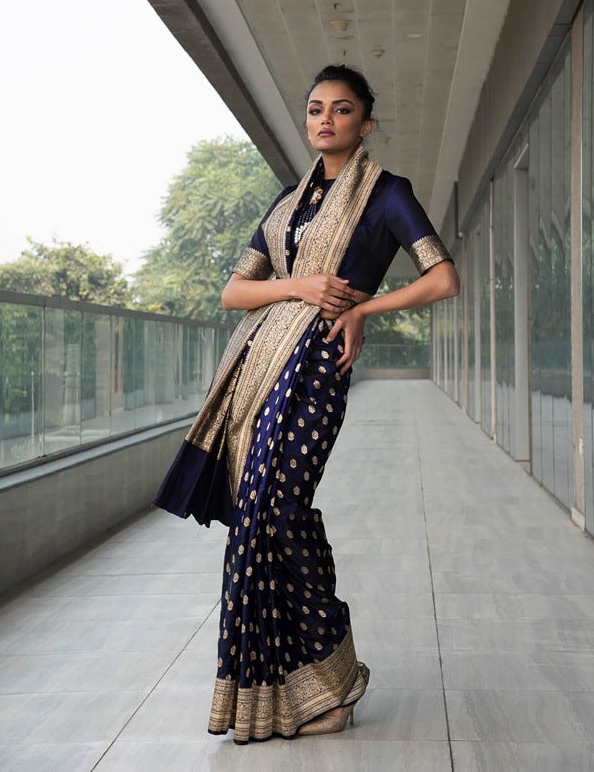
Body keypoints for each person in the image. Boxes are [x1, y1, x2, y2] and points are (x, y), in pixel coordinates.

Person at [153, 64, 460, 744]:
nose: (326, 119)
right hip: (260, 364)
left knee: (281, 511)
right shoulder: (287, 205)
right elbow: (235, 292)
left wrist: (363, 310)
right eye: (316, 108)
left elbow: (443, 278)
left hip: (318, 366)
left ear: (365, 123)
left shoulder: (387, 194)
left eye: (342, 109)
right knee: (256, 519)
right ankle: (299, 691)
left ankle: (334, 677)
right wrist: (300, 286)